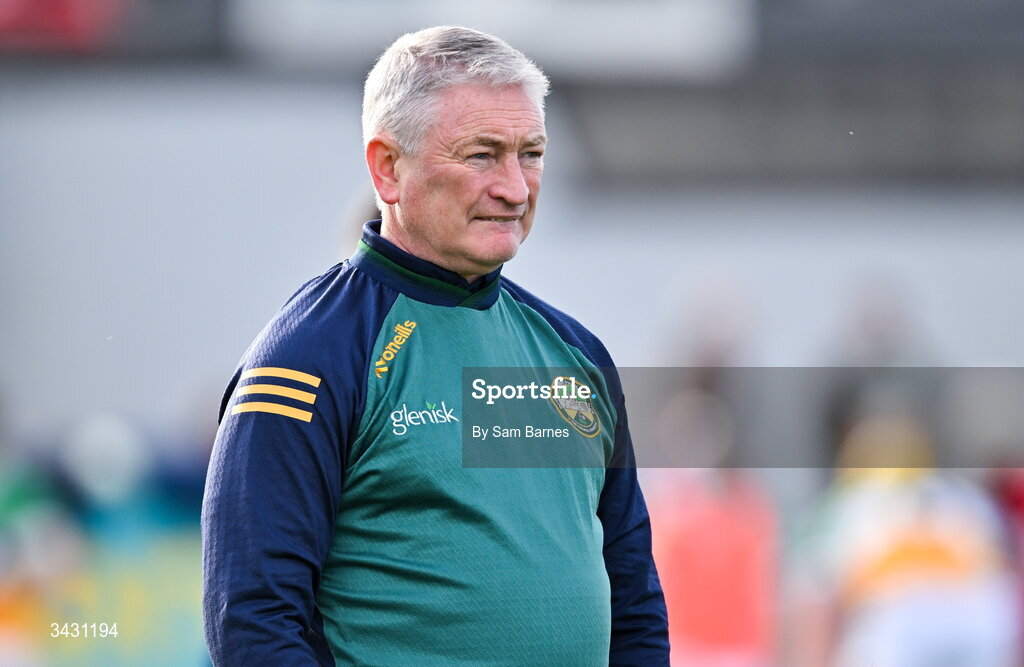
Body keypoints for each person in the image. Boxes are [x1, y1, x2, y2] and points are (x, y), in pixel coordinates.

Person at [202, 26, 669, 666]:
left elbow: (635, 599)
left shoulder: (577, 354)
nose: (516, 187)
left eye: (530, 154)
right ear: (388, 168)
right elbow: (253, 619)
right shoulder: (312, 354)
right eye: (482, 155)